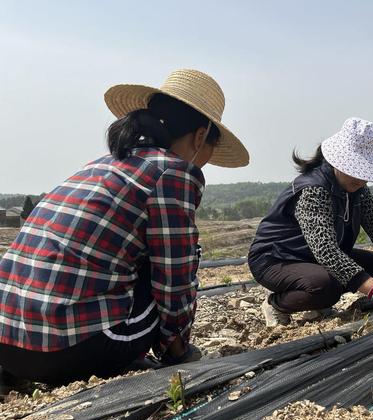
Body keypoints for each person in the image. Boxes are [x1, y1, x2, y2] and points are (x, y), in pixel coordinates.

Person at [0, 69, 249, 384]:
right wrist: (177, 350)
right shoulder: (173, 173)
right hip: (62, 351)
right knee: (164, 263)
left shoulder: (102, 165)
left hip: (8, 344)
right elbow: (175, 277)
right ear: (200, 137)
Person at [248, 117, 373, 327]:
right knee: (325, 287)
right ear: (338, 160)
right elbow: (325, 250)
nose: (360, 180)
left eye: (365, 173)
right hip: (277, 257)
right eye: (356, 170)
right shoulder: (314, 189)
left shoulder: (357, 190)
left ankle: (315, 294)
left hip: (309, 256)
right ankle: (276, 303)